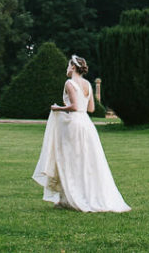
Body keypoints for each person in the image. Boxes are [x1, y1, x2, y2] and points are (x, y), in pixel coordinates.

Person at [32, 55, 130, 212]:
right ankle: (72, 196)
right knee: (87, 160)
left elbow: (75, 106)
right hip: (87, 124)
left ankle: (72, 198)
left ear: (73, 67)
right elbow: (90, 108)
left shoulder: (70, 83)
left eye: (68, 65)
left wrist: (57, 108)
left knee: (70, 159)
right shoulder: (88, 85)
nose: (66, 68)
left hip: (74, 124)